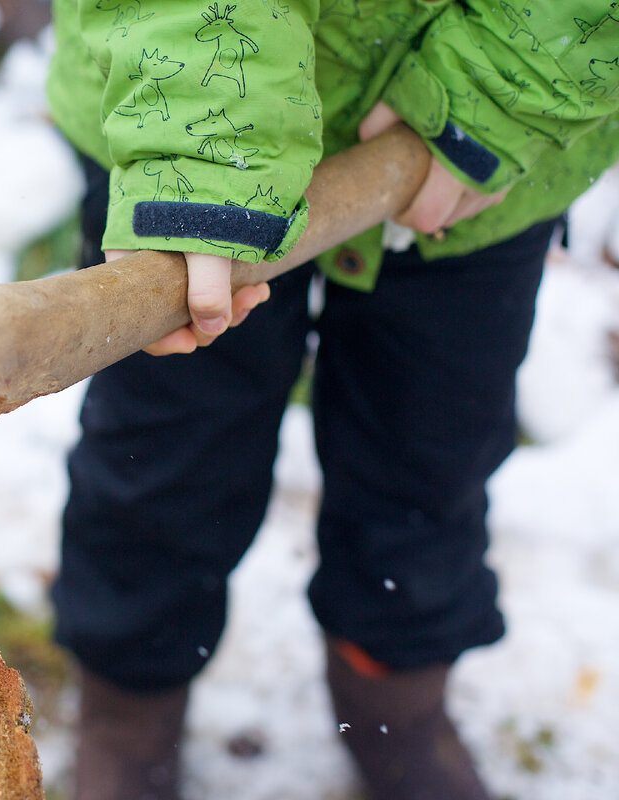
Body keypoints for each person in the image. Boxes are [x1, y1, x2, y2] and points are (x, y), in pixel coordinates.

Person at [44, 2, 619, 799]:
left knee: (427, 457)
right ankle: (129, 705)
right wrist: (201, 152)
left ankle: (393, 701)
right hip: (172, 123)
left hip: (490, 156)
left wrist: (499, 91)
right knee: (166, 454)